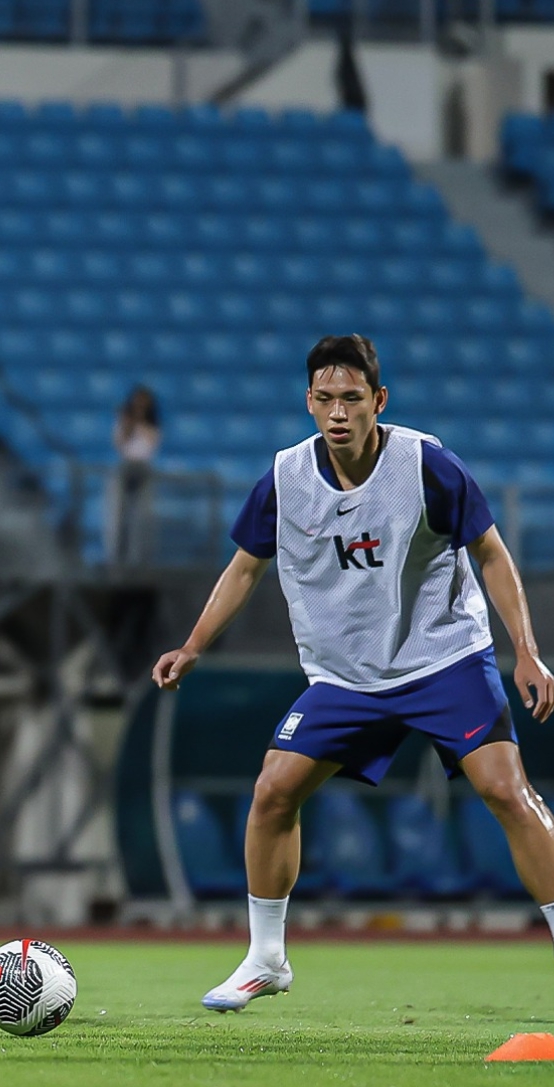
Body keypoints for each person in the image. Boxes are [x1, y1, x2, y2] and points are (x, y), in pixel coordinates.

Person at [151, 334, 554, 1012]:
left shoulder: (427, 465)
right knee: (274, 790)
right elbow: (246, 565)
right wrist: (193, 644)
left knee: (505, 790)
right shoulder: (285, 478)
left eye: (352, 398)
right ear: (309, 401)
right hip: (345, 677)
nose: (338, 412)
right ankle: (266, 958)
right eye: (326, 398)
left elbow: (490, 552)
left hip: (441, 657)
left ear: (379, 401)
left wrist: (527, 649)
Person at [105, 385, 161, 566]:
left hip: (144, 468)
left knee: (142, 515)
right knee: (118, 513)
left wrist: (139, 422)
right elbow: (119, 443)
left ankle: (139, 558)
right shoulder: (125, 420)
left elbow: (153, 443)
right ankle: (116, 556)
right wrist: (128, 422)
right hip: (125, 467)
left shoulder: (152, 423)